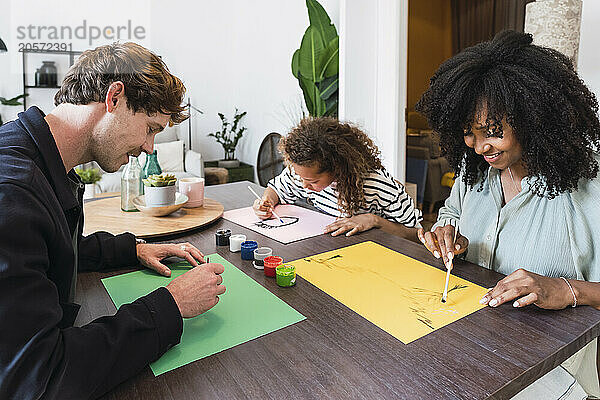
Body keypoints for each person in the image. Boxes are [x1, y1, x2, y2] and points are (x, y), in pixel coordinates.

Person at [0, 42, 226, 399]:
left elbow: (48, 249)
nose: (150, 147)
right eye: (151, 128)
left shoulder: (40, 160)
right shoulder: (12, 191)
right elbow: (40, 379)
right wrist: (171, 305)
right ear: (114, 97)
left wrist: (132, 250)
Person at [415, 30, 600, 399]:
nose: (480, 145)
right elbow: (451, 211)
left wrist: (562, 289)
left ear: (533, 119)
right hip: (470, 352)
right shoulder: (477, 171)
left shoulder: (589, 186)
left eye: (493, 132)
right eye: (469, 132)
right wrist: (449, 234)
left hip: (552, 375)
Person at [253, 117, 422, 239]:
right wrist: (267, 200)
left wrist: (374, 220)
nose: (304, 185)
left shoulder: (378, 186)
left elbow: (416, 234)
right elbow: (277, 189)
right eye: (300, 177)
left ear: (337, 168)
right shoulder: (303, 173)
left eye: (313, 182)